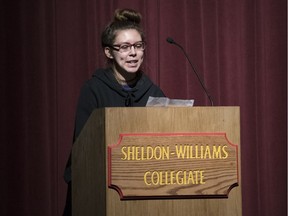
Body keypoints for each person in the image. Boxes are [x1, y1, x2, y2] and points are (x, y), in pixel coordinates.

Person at [63, 8, 165, 215]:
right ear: (109, 52)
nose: (133, 53)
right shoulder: (93, 89)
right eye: (124, 47)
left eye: (138, 46)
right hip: (99, 190)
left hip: (144, 191)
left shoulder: (154, 92)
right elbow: (84, 147)